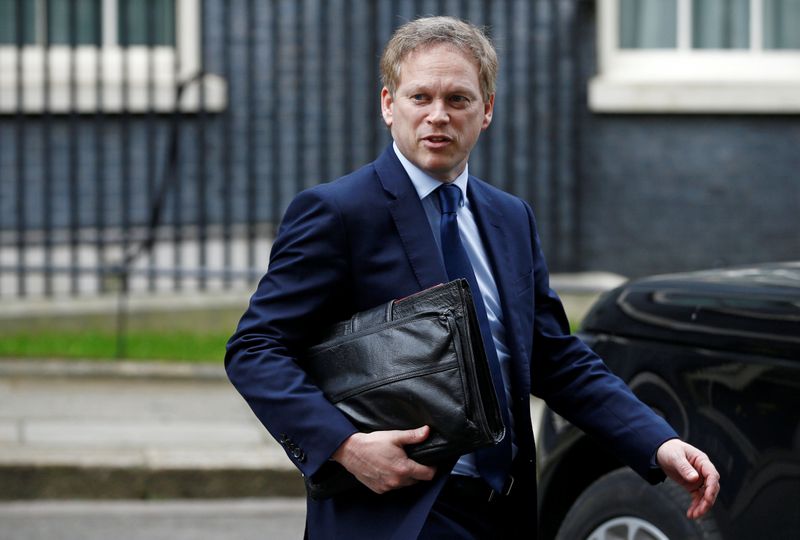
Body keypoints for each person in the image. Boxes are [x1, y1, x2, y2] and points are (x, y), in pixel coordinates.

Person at [225, 16, 720, 539]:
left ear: (486, 111)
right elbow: (256, 348)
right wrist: (345, 447)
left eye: (458, 99)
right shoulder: (339, 212)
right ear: (388, 104)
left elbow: (553, 356)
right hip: (397, 514)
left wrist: (658, 442)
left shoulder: (510, 218)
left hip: (502, 510)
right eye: (421, 97)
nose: (438, 116)